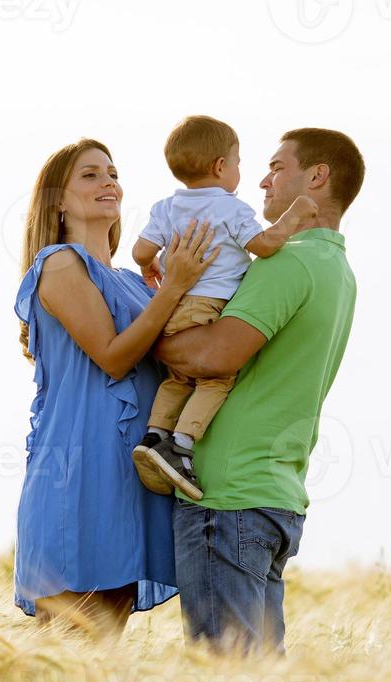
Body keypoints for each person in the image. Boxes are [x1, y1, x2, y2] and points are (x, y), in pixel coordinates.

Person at [155, 128, 364, 654]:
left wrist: (152, 335)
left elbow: (211, 356)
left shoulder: (286, 261)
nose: (263, 182)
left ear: (316, 177)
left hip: (226, 496)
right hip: (274, 492)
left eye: (276, 168)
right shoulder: (336, 269)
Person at [13, 137, 218, 638]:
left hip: (130, 475)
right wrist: (172, 289)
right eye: (90, 174)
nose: (109, 182)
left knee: (101, 650)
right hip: (80, 475)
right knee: (68, 652)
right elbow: (112, 356)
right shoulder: (61, 265)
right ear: (58, 200)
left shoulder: (131, 280)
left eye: (112, 172)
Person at [129, 115, 317, 501]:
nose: (239, 172)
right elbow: (264, 245)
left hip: (173, 308)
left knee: (177, 379)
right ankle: (181, 445)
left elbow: (139, 252)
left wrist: (152, 263)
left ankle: (154, 435)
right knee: (215, 380)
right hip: (208, 304)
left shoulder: (166, 208)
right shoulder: (232, 210)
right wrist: (295, 214)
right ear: (220, 167)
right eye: (237, 162)